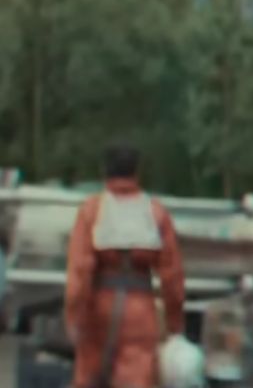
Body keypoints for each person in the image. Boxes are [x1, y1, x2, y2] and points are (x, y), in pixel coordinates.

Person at [63, 142, 187, 388]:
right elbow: (172, 276)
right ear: (137, 171)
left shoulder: (91, 210)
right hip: (140, 313)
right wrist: (174, 322)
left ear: (104, 170)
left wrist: (73, 315)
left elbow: (80, 270)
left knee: (88, 380)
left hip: (98, 311)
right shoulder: (155, 212)